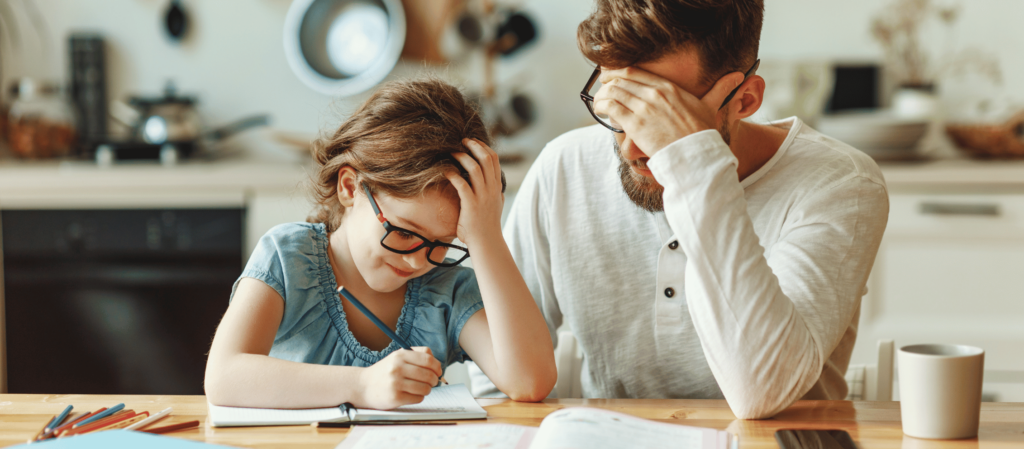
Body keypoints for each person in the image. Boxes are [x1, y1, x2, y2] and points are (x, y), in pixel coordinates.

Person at [469, 0, 889, 419]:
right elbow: (497, 373)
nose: (632, 148)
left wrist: (695, 165)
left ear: (745, 100)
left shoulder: (841, 184)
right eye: (621, 108)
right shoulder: (564, 168)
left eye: (666, 117)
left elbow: (762, 389)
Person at [205, 78, 556, 410]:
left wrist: (486, 237)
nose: (419, 262)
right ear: (349, 187)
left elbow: (530, 382)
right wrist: (363, 385)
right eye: (404, 232)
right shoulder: (287, 257)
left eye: (442, 244)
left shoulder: (446, 290)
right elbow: (223, 377)